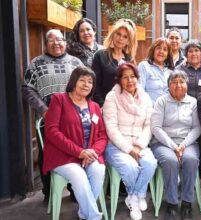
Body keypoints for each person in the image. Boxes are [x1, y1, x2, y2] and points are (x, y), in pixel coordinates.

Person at [22, 29, 84, 201]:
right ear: (45, 44)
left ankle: (75, 190)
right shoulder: (36, 63)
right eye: (51, 40)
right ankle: (49, 192)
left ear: (65, 42)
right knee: (47, 154)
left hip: (73, 118)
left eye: (60, 39)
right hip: (47, 119)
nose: (56, 43)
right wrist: (43, 109)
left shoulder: (76, 63)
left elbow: (86, 86)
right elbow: (27, 89)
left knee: (74, 151)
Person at [43, 66, 108, 220]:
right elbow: (52, 131)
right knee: (78, 175)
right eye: (82, 80)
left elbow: (102, 135)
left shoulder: (94, 107)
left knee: (98, 171)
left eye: (90, 82)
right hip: (63, 155)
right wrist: (79, 151)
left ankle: (84, 214)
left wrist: (93, 152)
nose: (86, 84)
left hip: (89, 155)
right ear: (73, 81)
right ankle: (93, 217)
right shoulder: (59, 100)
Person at [102, 63, 157, 220]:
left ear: (138, 78)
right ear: (119, 80)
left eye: (132, 76)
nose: (130, 80)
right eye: (125, 77)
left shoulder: (145, 96)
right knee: (130, 167)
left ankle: (133, 196)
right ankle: (137, 197)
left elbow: (148, 125)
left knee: (150, 163)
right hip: (117, 145)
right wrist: (128, 148)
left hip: (140, 143)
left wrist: (139, 145)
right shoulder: (112, 97)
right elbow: (111, 128)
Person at [150, 71, 201, 220]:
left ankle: (187, 203)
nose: (178, 85)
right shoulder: (161, 101)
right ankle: (172, 203)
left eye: (182, 81)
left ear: (187, 85)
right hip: (163, 143)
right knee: (170, 161)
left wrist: (183, 145)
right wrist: (173, 146)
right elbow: (156, 128)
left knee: (191, 160)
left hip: (187, 142)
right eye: (174, 82)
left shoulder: (193, 102)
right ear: (168, 85)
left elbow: (197, 128)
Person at [92, 19, 137, 106]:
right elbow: (95, 84)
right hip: (104, 105)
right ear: (113, 35)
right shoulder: (100, 55)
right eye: (118, 34)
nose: (121, 38)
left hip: (125, 107)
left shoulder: (130, 60)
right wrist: (101, 105)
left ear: (128, 41)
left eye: (125, 37)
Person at [138, 37, 174, 103]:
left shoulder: (170, 71)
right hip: (150, 109)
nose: (161, 51)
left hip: (167, 109)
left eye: (165, 49)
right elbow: (140, 91)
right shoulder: (144, 66)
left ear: (168, 54)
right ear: (153, 50)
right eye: (158, 48)